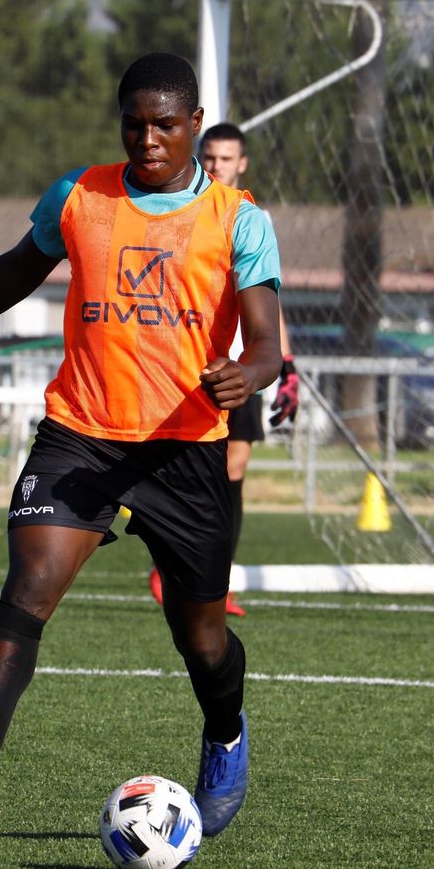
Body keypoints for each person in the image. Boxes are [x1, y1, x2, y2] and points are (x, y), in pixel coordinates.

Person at [0, 52, 282, 844]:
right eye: (134, 122)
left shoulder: (239, 220)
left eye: (164, 124)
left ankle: (224, 733)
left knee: (204, 637)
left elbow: (265, 343)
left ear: (194, 124)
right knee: (29, 586)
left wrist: (246, 376)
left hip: (183, 449)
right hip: (80, 433)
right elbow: (13, 273)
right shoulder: (80, 196)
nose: (147, 138)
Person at [146, 122, 300, 616]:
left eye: (226, 159)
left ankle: (216, 579)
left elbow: (269, 304)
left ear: (242, 164)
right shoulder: (182, 212)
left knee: (233, 469)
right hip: (185, 362)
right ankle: (172, 558)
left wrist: (287, 364)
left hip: (241, 370)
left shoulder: (252, 218)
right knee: (169, 465)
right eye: (209, 156)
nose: (216, 166)